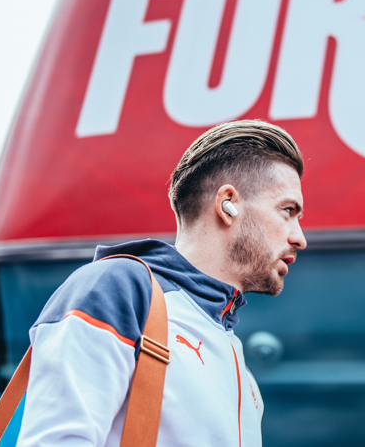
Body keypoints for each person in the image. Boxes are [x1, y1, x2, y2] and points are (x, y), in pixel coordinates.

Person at [17, 119, 306, 447]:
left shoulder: (237, 363)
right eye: (288, 211)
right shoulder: (119, 289)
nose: (299, 238)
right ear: (229, 204)